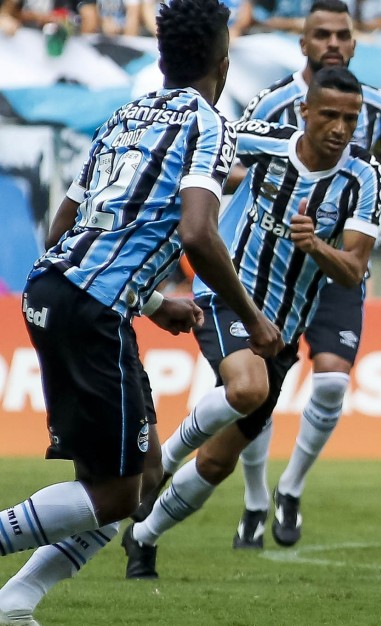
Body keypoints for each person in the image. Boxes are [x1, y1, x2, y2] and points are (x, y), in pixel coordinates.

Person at [0, 0, 283, 621]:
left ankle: (16, 601)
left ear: (161, 56)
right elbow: (199, 235)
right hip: (91, 307)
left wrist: (152, 301)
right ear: (223, 61)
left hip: (55, 290)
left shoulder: (123, 117)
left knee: (144, 475)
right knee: (116, 493)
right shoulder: (209, 125)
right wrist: (254, 318)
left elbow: (61, 227)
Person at [122, 65, 381, 578]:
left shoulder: (363, 176)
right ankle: (160, 465)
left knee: (220, 463)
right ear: (304, 112)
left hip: (283, 329)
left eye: (350, 120)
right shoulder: (261, 138)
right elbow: (202, 153)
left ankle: (144, 536)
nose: (339, 128)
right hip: (229, 296)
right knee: (246, 388)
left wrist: (315, 246)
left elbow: (353, 270)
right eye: (328, 114)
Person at [228, 0, 381, 550]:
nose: (333, 42)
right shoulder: (274, 103)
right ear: (303, 44)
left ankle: (291, 488)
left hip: (338, 265)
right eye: (322, 34)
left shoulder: (374, 105)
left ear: (354, 44)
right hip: (273, 270)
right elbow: (234, 159)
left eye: (342, 34)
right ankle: (256, 497)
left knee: (332, 379)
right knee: (257, 392)